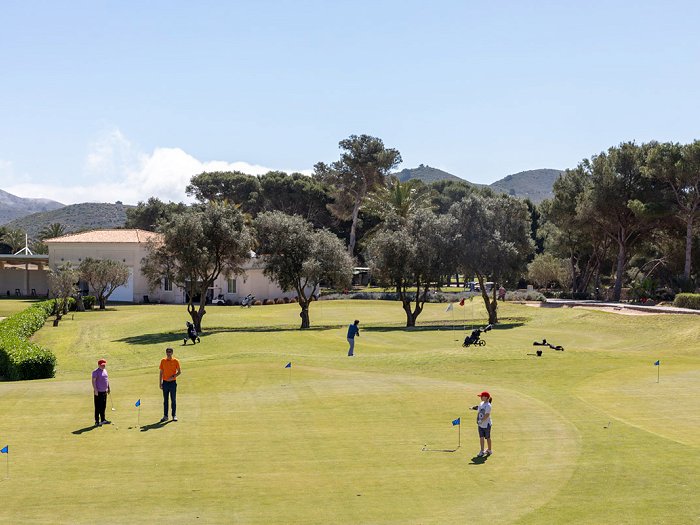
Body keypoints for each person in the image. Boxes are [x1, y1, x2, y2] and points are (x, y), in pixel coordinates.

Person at [159, 347, 181, 422]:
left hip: (172, 383)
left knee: (173, 400)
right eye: (167, 352)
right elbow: (161, 372)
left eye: (170, 352)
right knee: (165, 400)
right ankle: (165, 416)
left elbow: (179, 372)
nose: (168, 353)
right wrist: (160, 382)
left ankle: (174, 415)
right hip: (165, 383)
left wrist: (172, 377)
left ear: (172, 353)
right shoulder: (163, 361)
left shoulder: (176, 361)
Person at [471, 391, 493, 457]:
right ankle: (482, 451)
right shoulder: (481, 403)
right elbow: (479, 409)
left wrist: (482, 420)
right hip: (480, 424)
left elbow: (487, 414)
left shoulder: (488, 405)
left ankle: (489, 450)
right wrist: (473, 408)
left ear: (486, 397)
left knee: (488, 437)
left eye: (481, 396)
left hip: (487, 424)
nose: (480, 397)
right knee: (481, 437)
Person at [91, 359, 111, 426]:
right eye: (102, 365)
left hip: (104, 391)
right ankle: (97, 421)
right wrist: (95, 390)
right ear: (99, 365)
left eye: (104, 364)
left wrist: (108, 387)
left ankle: (103, 420)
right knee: (97, 407)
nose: (104, 366)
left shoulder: (105, 371)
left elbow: (107, 380)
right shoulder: (95, 372)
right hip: (98, 392)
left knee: (103, 406)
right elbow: (93, 381)